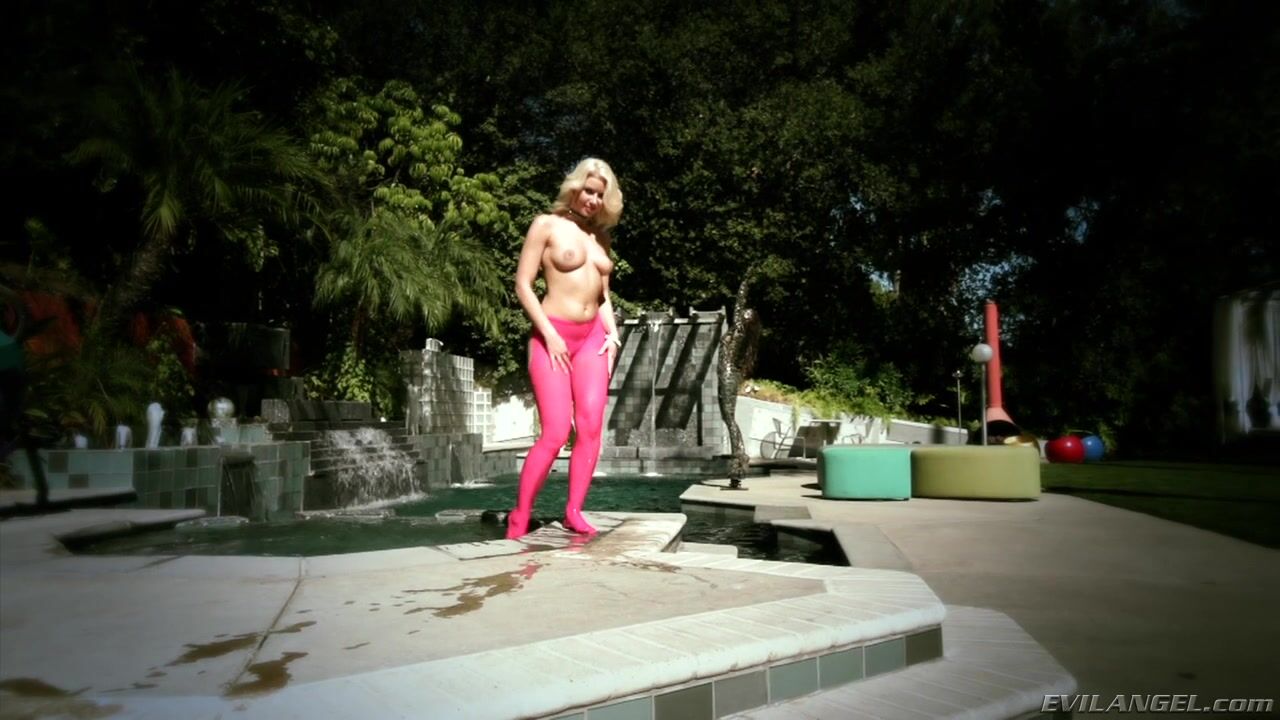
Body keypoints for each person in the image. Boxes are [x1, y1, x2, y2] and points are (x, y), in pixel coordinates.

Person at [507, 158, 624, 539]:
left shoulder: (599, 238)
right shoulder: (546, 225)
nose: (593, 200)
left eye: (599, 195)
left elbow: (602, 296)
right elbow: (523, 284)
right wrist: (548, 333)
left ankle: (574, 511)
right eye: (588, 191)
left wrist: (612, 333)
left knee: (590, 429)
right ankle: (520, 516)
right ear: (574, 188)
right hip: (553, 335)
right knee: (556, 433)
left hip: (593, 339)